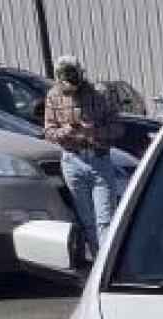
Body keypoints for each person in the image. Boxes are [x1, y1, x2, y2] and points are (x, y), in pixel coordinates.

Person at [42, 55, 121, 256]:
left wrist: (94, 131)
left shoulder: (100, 93)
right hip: (72, 160)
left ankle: (106, 261)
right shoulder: (53, 96)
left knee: (105, 218)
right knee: (87, 219)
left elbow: (118, 128)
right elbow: (49, 131)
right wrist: (65, 131)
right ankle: (97, 260)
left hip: (99, 159)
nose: (69, 86)